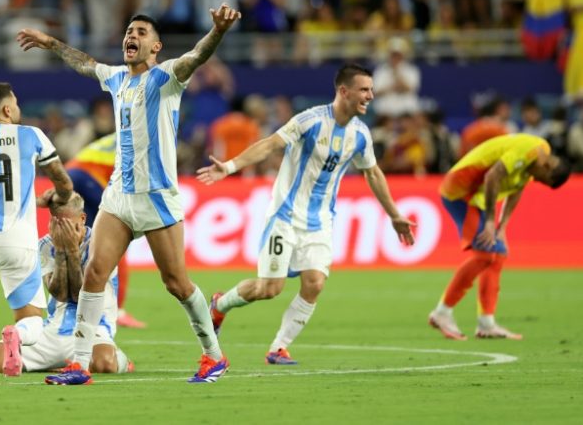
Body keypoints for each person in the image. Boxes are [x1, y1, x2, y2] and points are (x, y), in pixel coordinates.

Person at [17, 3, 241, 384]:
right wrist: (50, 42)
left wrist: (217, 31)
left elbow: (197, 56)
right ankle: (80, 365)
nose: (130, 37)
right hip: (119, 196)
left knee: (177, 284)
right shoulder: (117, 78)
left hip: (156, 198)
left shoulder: (168, 77)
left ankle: (213, 357)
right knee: (95, 273)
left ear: (156, 46)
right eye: (128, 32)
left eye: (140, 33)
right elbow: (85, 63)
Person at [196, 64, 416, 364]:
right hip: (285, 215)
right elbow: (270, 144)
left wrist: (394, 214)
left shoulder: (360, 134)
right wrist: (231, 167)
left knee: (315, 283)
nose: (371, 96)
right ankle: (220, 304)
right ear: (344, 91)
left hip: (320, 221)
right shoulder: (311, 120)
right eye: (364, 90)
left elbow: (373, 173)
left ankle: (278, 347)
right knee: (269, 288)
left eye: (372, 90)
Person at [0, 82, 73, 376]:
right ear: (7, 110)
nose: (19, 108)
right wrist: (56, 198)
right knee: (33, 320)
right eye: (16, 103)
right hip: (17, 240)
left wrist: (32, 200)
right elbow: (64, 182)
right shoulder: (31, 135)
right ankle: (15, 337)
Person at [428, 133, 571, 341]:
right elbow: (492, 177)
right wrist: (489, 222)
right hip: (459, 191)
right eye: (542, 179)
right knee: (485, 255)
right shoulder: (528, 151)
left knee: (499, 253)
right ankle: (442, 312)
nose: (537, 181)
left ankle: (486, 323)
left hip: (475, 196)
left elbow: (517, 188)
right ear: (548, 167)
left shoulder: (539, 158)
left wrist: (502, 226)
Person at [0, 192, 133, 376]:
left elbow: (78, 295)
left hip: (94, 328)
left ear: (82, 219)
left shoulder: (102, 245)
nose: (62, 231)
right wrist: (59, 251)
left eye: (68, 225)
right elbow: (60, 294)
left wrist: (72, 251)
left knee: (105, 364)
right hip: (54, 329)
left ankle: (122, 360)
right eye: (57, 224)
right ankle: (55, 362)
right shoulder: (45, 245)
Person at [65, 133, 146, 329]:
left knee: (84, 239)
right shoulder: (142, 138)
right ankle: (117, 311)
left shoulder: (124, 131)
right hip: (88, 177)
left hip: (71, 174)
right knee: (115, 242)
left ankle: (73, 304)